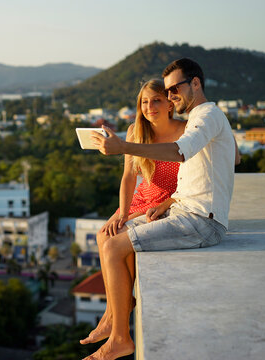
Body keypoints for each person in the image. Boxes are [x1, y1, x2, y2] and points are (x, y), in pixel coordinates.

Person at [81, 58, 239, 360]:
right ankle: (115, 321)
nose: (170, 96)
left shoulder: (206, 115)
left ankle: (119, 338)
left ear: (195, 83)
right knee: (110, 238)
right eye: (166, 91)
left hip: (201, 221)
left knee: (114, 247)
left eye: (173, 89)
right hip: (184, 211)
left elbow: (178, 152)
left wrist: (124, 147)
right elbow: (219, 164)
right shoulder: (202, 116)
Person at [79, 78, 185, 348]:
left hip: (168, 201)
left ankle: (115, 319)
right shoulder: (135, 130)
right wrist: (122, 213)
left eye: (156, 100)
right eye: (145, 101)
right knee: (105, 234)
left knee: (114, 243)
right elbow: (128, 176)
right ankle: (114, 311)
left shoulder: (186, 131)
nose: (149, 106)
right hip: (142, 197)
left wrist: (172, 201)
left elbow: (198, 178)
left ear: (170, 104)